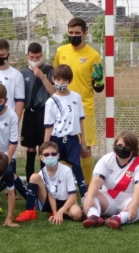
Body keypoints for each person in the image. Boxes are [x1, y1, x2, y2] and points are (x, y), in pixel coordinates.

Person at [54, 17, 104, 186]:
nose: (73, 36)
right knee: (60, 149)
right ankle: (61, 186)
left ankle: (88, 187)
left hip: (84, 109)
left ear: (85, 34)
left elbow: (98, 87)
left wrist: (99, 81)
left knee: (84, 150)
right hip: (62, 109)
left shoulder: (94, 55)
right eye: (71, 33)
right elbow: (56, 78)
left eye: (77, 33)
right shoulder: (61, 51)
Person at [82, 131, 139, 229]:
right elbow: (96, 181)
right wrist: (89, 199)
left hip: (129, 201)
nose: (122, 148)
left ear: (134, 149)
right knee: (89, 194)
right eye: (120, 145)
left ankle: (118, 219)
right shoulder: (106, 159)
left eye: (127, 146)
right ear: (115, 145)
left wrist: (134, 205)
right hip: (108, 201)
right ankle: (94, 217)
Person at [43, 64, 87, 198]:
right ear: (53, 79)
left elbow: (80, 119)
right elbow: (49, 126)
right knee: (53, 166)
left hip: (72, 139)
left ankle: (84, 195)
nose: (61, 83)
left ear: (70, 81)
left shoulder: (76, 97)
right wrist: (45, 145)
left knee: (76, 165)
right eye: (58, 80)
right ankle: (52, 194)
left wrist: (83, 139)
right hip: (56, 139)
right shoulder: (50, 102)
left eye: (64, 80)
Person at [15, 141, 83, 224]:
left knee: (77, 214)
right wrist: (55, 213)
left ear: (58, 155)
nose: (50, 156)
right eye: (46, 155)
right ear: (41, 157)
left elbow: (73, 197)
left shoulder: (66, 170)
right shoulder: (42, 173)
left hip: (66, 202)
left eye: (53, 154)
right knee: (34, 177)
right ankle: (29, 211)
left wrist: (60, 211)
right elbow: (51, 195)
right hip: (49, 202)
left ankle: (62, 212)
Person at [21, 42, 55, 180]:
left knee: (44, 148)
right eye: (32, 57)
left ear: (42, 55)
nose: (34, 60)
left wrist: (42, 76)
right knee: (30, 148)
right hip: (29, 113)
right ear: (27, 56)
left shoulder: (49, 69)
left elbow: (53, 92)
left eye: (37, 57)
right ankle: (30, 180)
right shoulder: (22, 72)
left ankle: (44, 179)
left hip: (45, 113)